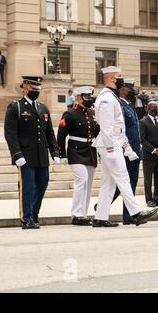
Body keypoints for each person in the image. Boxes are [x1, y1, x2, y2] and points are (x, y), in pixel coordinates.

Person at [92, 66, 158, 227]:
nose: (122, 79)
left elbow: (118, 127)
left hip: (114, 143)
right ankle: (135, 213)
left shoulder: (110, 97)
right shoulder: (107, 98)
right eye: (119, 76)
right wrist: (110, 149)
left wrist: (126, 147)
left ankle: (100, 217)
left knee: (108, 183)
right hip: (110, 145)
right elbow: (107, 127)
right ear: (111, 79)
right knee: (123, 177)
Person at [4, 76, 61, 229]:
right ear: (25, 88)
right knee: (27, 187)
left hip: (41, 155)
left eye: (38, 90)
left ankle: (34, 214)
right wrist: (16, 154)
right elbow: (10, 133)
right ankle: (26, 218)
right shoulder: (15, 107)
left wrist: (54, 151)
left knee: (42, 185)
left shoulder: (43, 108)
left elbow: (49, 132)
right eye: (33, 89)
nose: (36, 92)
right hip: (25, 155)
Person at [57, 86, 99, 226]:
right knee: (82, 180)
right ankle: (76, 214)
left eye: (90, 98)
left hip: (90, 151)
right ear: (79, 97)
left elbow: (97, 133)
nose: (89, 100)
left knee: (88, 184)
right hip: (75, 151)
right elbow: (61, 135)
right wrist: (61, 154)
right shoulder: (70, 114)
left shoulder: (93, 113)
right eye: (87, 97)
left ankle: (83, 213)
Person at [110, 79, 143, 225]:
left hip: (135, 150)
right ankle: (104, 204)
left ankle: (128, 215)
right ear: (122, 89)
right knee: (123, 183)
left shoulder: (129, 105)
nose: (133, 91)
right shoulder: (120, 106)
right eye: (130, 89)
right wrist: (127, 147)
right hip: (125, 150)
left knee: (132, 182)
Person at [139, 101, 158, 208]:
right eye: (152, 107)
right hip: (149, 156)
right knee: (148, 179)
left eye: (156, 107)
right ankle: (149, 200)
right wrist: (153, 150)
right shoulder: (143, 122)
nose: (155, 109)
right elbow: (142, 139)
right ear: (147, 109)